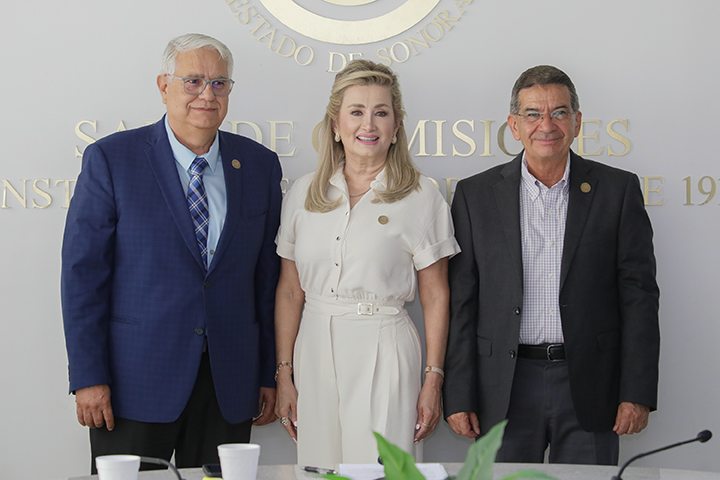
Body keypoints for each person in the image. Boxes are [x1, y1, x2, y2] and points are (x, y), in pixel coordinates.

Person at [61, 33, 282, 472]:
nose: (207, 94)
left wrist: (266, 373)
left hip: (228, 382)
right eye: (193, 81)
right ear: (164, 86)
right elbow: (83, 276)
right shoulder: (112, 159)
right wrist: (88, 376)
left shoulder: (259, 164)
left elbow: (266, 280)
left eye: (219, 83)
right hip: (134, 381)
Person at [443, 65, 659, 465]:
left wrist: (637, 391)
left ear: (577, 122)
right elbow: (462, 303)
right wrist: (459, 395)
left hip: (591, 384)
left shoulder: (617, 191)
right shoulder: (475, 196)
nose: (547, 125)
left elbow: (639, 297)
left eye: (559, 112)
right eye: (533, 114)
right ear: (514, 125)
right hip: (503, 387)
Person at [274, 59, 460, 467]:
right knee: (319, 469)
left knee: (382, 469)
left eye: (381, 112)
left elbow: (435, 295)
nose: (368, 124)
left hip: (385, 346)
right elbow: (289, 290)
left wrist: (433, 379)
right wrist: (284, 372)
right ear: (335, 124)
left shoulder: (421, 196)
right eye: (356, 111)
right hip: (314, 346)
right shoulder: (303, 193)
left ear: (396, 126)